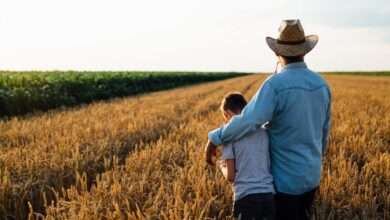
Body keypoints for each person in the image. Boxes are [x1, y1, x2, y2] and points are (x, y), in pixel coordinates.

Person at [205, 19, 331, 220]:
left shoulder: (275, 85)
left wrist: (216, 137)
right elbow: (324, 135)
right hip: (311, 177)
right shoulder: (322, 85)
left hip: (284, 183)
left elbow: (249, 120)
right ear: (305, 51)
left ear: (277, 52)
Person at [212, 92, 274, 220]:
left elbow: (231, 176)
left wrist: (221, 166)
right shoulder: (263, 131)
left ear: (227, 113)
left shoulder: (229, 136)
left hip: (246, 198)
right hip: (269, 196)